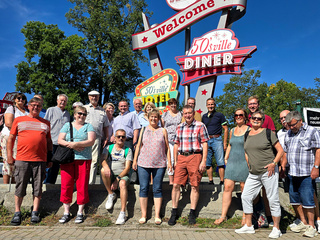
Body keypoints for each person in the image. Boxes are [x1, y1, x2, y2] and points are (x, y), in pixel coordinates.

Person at [235, 111, 284, 239]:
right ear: (250, 119)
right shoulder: (247, 135)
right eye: (254, 118)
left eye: (259, 118)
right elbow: (246, 151)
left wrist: (274, 163)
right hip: (253, 173)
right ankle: (249, 226)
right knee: (245, 196)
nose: (256, 120)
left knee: (272, 198)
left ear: (262, 121)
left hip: (269, 172)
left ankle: (276, 228)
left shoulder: (268, 133)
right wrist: (248, 163)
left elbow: (280, 150)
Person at [7, 97, 52, 225]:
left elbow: (49, 141)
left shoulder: (46, 123)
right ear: (28, 106)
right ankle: (17, 212)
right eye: (33, 105)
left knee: (38, 188)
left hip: (40, 160)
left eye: (38, 106)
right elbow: (10, 139)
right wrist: (9, 156)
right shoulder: (18, 120)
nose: (35, 108)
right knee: (20, 187)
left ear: (41, 107)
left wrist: (50, 157)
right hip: (22, 159)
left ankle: (35, 212)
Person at [168, 105, 209, 226]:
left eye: (189, 113)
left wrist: (204, 161)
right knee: (176, 184)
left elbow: (205, 143)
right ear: (183, 115)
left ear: (193, 113)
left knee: (194, 185)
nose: (187, 115)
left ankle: (192, 212)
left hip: (195, 156)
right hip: (181, 157)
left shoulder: (200, 125)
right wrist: (175, 160)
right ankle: (174, 211)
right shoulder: (179, 127)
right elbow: (176, 144)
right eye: (185, 113)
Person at [283, 111, 320, 238]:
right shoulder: (288, 133)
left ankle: (311, 226)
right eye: (288, 125)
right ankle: (303, 223)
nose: (291, 127)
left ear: (300, 121)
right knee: (294, 200)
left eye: (293, 125)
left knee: (308, 200)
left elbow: (318, 149)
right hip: (292, 172)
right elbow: (286, 151)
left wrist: (316, 167)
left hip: (306, 173)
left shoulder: (311, 131)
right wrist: (283, 166)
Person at [132, 109, 172, 225]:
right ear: (148, 118)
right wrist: (135, 160)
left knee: (157, 188)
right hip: (143, 163)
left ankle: (157, 215)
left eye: (156, 117)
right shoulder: (143, 129)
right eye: (151, 117)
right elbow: (138, 146)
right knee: (143, 188)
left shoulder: (163, 130)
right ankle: (144, 215)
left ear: (158, 119)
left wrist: (169, 162)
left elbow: (167, 148)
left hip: (159, 164)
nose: (153, 119)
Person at [58, 106, 96, 224]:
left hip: (84, 159)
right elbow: (60, 140)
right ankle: (66, 212)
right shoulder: (67, 125)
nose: (82, 116)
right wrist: (73, 145)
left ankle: (80, 212)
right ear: (74, 115)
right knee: (66, 184)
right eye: (79, 113)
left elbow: (91, 141)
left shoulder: (88, 126)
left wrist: (77, 144)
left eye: (84, 114)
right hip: (68, 159)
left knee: (82, 185)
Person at [214, 108, 249, 225]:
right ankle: (223, 215)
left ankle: (246, 216)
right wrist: (225, 158)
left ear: (245, 117)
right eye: (236, 115)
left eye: (241, 115)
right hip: (232, 162)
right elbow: (229, 145)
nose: (238, 117)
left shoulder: (249, 130)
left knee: (245, 189)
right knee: (228, 187)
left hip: (244, 162)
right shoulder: (232, 130)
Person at [101, 129, 132, 225]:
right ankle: (111, 194)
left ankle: (123, 212)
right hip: (110, 175)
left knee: (122, 183)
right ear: (114, 137)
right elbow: (102, 159)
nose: (120, 138)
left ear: (125, 138)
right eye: (118, 136)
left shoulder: (128, 150)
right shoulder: (109, 148)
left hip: (122, 176)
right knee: (103, 170)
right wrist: (106, 167)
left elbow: (127, 168)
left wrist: (118, 179)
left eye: (123, 137)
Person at [0, 93, 28, 184]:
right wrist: (20, 133)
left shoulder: (27, 111)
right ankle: (6, 188)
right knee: (8, 161)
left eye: (23, 98)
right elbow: (9, 123)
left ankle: (15, 186)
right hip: (9, 137)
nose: (21, 100)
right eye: (18, 98)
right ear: (15, 100)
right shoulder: (11, 108)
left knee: (18, 163)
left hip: (21, 139)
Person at [43, 94, 70, 184]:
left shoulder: (67, 114)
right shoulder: (51, 110)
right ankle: (45, 183)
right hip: (52, 141)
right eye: (61, 100)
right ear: (57, 101)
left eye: (65, 101)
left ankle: (52, 184)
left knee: (57, 166)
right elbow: (45, 124)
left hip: (62, 143)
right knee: (49, 163)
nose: (63, 102)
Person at [84, 90, 110, 184]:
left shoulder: (102, 111)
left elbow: (106, 126)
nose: (94, 98)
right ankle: (82, 182)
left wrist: (106, 138)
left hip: (97, 138)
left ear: (98, 98)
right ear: (89, 97)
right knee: (83, 160)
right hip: (84, 137)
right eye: (92, 96)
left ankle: (91, 183)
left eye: (96, 96)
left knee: (94, 161)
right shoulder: (84, 108)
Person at [202, 98, 228, 185]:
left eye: (212, 104)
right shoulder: (204, 117)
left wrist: (225, 143)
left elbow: (226, 129)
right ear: (206, 106)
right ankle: (210, 180)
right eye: (209, 104)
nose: (210, 106)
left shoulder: (219, 115)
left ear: (215, 105)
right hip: (207, 140)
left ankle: (221, 181)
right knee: (207, 162)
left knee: (220, 162)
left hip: (217, 139)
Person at [161, 98, 182, 185]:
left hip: (179, 139)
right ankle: (171, 180)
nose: (173, 105)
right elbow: (162, 127)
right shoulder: (165, 114)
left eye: (174, 103)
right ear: (168, 105)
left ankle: (179, 179)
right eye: (171, 104)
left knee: (179, 160)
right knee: (171, 160)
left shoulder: (181, 114)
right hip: (168, 139)